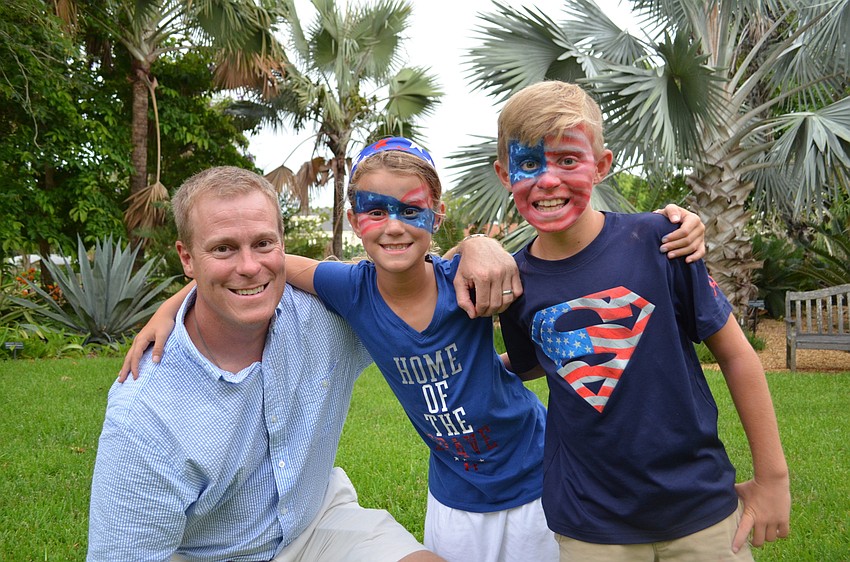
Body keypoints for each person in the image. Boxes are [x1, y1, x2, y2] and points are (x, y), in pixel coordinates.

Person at [120, 140, 706, 561]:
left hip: (536, 480)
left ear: (437, 215)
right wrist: (172, 304)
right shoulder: (347, 289)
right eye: (375, 210)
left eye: (411, 209)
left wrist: (480, 243)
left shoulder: (468, 280)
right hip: (452, 497)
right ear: (353, 219)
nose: (394, 224)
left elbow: (563, 270)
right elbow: (251, 265)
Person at [87, 166, 450, 561]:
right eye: (223, 248)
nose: (248, 266)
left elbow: (423, 286)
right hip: (212, 555)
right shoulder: (144, 414)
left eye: (263, 243)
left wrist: (479, 248)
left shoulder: (325, 317)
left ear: (282, 245)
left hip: (319, 525)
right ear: (187, 259)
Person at [493, 80, 791, 561]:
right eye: (529, 163)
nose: (548, 180)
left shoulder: (662, 240)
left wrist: (773, 478)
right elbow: (533, 362)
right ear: (506, 175)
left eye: (569, 160)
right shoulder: (513, 282)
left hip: (701, 508)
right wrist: (471, 367)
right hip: (590, 522)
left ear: (602, 164)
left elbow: (736, 354)